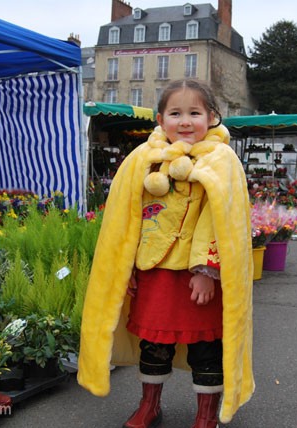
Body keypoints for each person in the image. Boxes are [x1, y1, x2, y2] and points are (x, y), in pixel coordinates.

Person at [77, 78, 254, 427]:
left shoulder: (222, 160)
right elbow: (124, 219)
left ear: (212, 117)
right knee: (153, 343)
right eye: (176, 113)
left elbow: (221, 221)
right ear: (160, 120)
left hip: (199, 279)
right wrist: (124, 268)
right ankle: (149, 405)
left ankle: (206, 414)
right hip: (154, 272)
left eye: (194, 112)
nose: (185, 121)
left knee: (207, 347)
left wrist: (206, 272)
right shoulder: (142, 160)